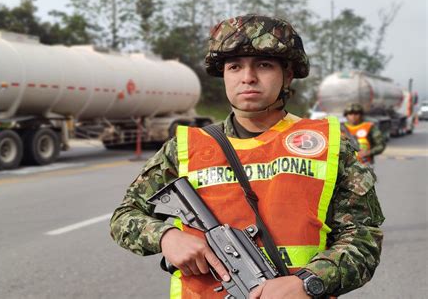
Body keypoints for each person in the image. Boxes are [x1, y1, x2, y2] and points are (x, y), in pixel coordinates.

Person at [110, 15, 384, 299]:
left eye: (263, 65)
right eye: (234, 67)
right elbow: (124, 216)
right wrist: (165, 237)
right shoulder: (185, 147)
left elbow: (363, 240)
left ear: (287, 75)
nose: (248, 77)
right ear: (224, 75)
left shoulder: (328, 144)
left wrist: (309, 281)